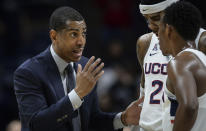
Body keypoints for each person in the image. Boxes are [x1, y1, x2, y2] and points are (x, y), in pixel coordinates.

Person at [13, 6, 143, 131]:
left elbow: (91, 121)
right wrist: (78, 94)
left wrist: (123, 118)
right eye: (74, 34)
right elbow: (36, 125)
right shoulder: (28, 72)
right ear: (54, 36)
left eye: (84, 34)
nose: (81, 42)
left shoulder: (86, 66)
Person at [133, 0, 206, 130]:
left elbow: (190, 105)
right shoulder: (145, 42)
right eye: (146, 19)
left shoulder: (201, 41)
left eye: (155, 18)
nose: (150, 25)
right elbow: (144, 96)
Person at [158, 1, 206, 130]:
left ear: (169, 29)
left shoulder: (180, 62)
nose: (157, 36)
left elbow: (189, 106)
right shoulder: (201, 59)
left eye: (159, 30)